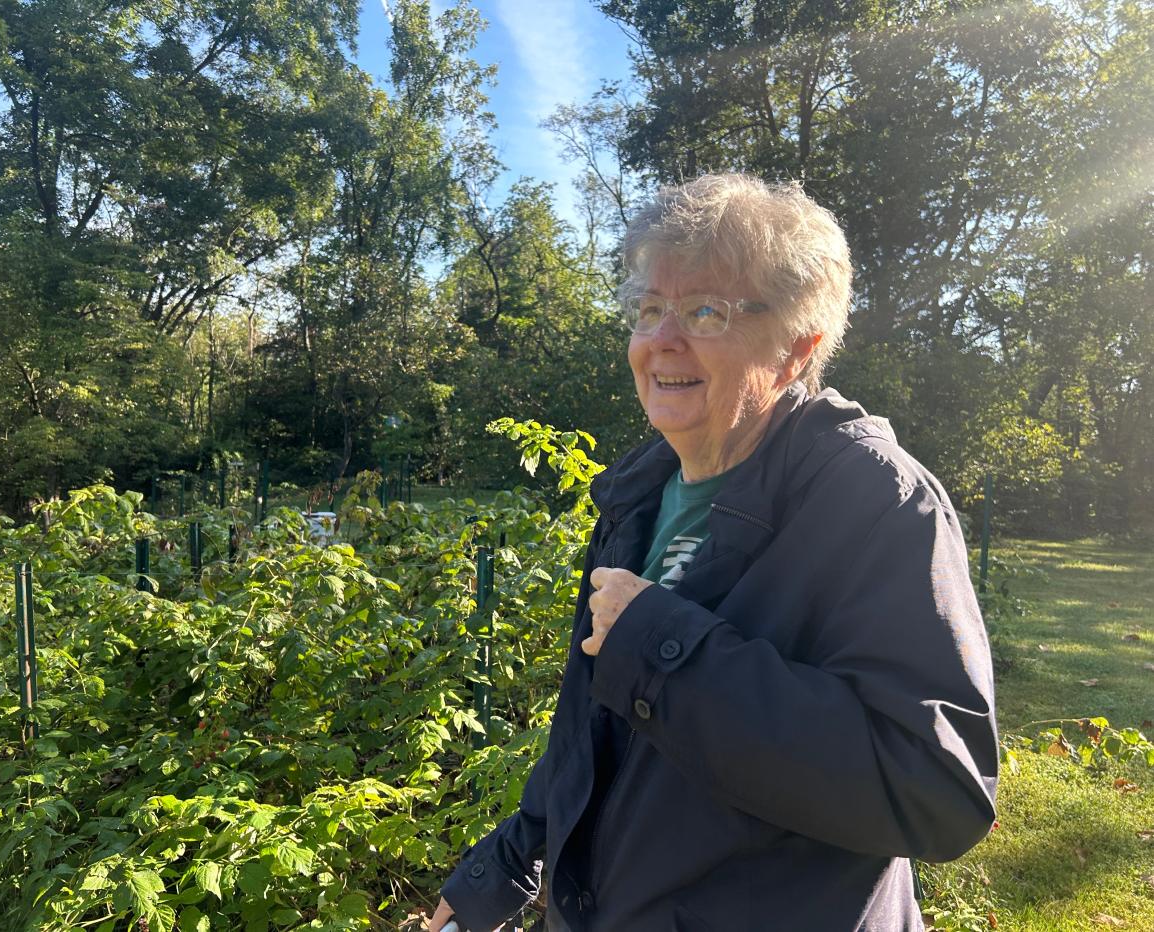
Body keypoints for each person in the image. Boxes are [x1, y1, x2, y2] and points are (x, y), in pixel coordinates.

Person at [428, 173, 999, 931]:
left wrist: (664, 652)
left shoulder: (877, 500)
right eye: (649, 308)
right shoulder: (637, 496)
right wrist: (495, 875)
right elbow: (587, 737)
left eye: (704, 310)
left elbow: (933, 789)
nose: (662, 338)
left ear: (797, 349)